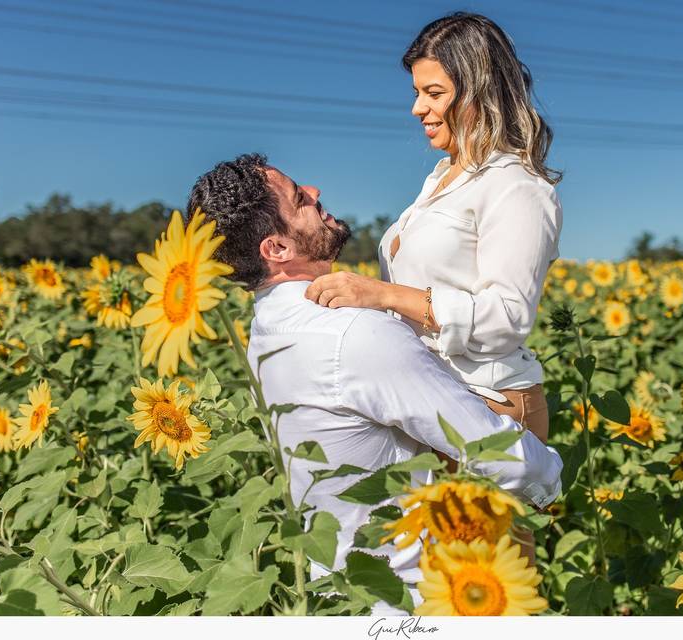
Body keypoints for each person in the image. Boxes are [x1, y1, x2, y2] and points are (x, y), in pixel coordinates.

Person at [186, 153, 563, 616]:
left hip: (339, 595)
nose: (317, 192)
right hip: (416, 599)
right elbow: (503, 459)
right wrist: (553, 476)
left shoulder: (265, 337)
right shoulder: (355, 335)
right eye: (299, 199)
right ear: (277, 249)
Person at [304, 12, 562, 449]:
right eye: (417, 92)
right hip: (435, 400)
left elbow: (507, 317)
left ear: (481, 92)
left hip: (488, 406)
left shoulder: (517, 186)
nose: (417, 107)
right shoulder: (444, 179)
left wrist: (381, 294)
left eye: (434, 92)